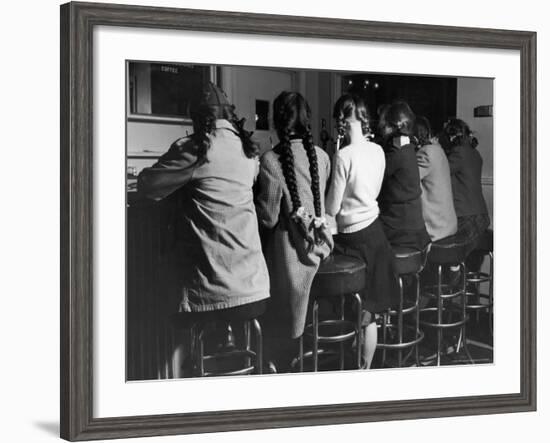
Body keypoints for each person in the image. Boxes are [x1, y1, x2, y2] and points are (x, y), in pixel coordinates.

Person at [138, 83, 270, 368]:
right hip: (254, 288)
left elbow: (147, 185)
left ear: (197, 117)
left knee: (168, 289)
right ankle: (229, 351)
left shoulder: (195, 148)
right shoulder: (249, 151)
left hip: (213, 294)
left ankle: (172, 379)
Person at [255, 91, 333, 371]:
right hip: (322, 249)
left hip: (292, 256)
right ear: (307, 120)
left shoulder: (270, 161)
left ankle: (280, 359)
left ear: (277, 121)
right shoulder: (322, 157)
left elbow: (267, 218)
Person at [325, 94, 398, 369]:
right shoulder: (378, 151)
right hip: (376, 235)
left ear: (342, 121)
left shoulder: (343, 155)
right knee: (371, 312)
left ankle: (349, 362)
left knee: (350, 303)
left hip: (352, 239)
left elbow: (332, 207)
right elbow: (374, 192)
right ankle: (365, 369)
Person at [378, 101, 431, 252]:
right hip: (416, 229)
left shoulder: (395, 154)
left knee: (365, 242)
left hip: (402, 231)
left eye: (385, 124)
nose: (382, 127)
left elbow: (374, 182)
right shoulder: (409, 149)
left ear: (395, 126)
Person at [440, 118, 490, 258]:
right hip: (481, 216)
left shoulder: (458, 153)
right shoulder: (475, 153)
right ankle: (458, 272)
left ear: (451, 137)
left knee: (441, 249)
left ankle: (453, 274)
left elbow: (439, 172)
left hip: (467, 218)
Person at [414, 116, 458, 242]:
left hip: (436, 230)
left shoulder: (425, 153)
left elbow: (406, 181)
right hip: (447, 225)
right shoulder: (438, 150)